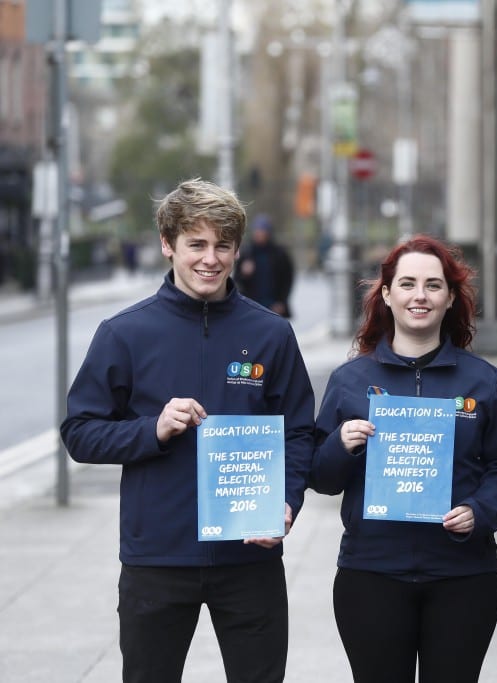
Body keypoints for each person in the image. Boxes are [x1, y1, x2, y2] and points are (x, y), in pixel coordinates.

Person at [60, 179, 315, 683]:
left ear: (237, 249)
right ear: (167, 244)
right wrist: (151, 430)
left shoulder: (271, 334)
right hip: (157, 557)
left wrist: (286, 502)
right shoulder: (125, 333)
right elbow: (80, 432)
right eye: (196, 244)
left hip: (249, 557)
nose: (210, 259)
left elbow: (300, 433)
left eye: (223, 245)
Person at [309, 234, 497, 683]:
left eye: (433, 285)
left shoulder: (483, 381)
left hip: (461, 575)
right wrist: (341, 444)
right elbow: (321, 477)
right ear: (387, 295)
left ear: (451, 298)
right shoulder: (350, 381)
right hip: (371, 573)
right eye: (407, 284)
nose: (420, 296)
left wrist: (480, 511)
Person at [236, 212, 295, 317]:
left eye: (262, 231)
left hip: (273, 305)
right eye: (257, 231)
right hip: (251, 305)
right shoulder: (246, 253)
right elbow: (237, 281)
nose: (259, 234)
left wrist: (281, 302)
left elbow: (287, 279)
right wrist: (244, 274)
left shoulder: (279, 254)